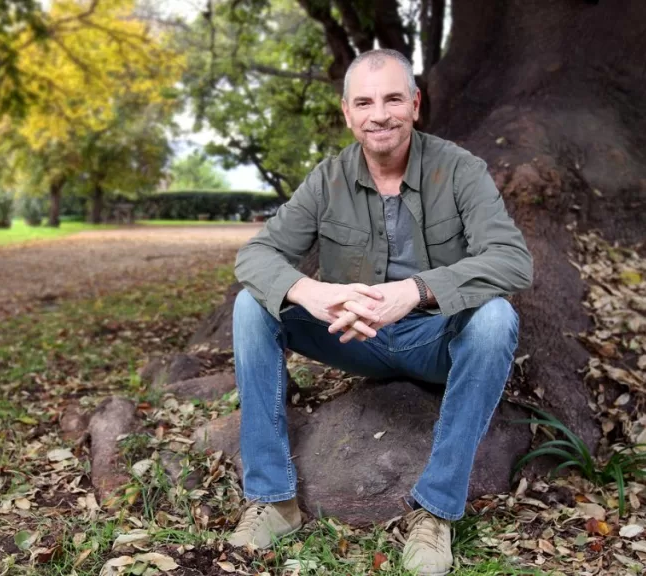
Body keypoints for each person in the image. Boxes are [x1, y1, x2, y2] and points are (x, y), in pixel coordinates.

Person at [227, 48, 534, 575]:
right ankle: (274, 500)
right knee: (250, 305)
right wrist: (308, 291)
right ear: (347, 113)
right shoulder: (327, 179)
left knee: (495, 320)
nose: (380, 115)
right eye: (365, 103)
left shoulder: (460, 170)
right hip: (353, 337)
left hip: (435, 339)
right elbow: (255, 255)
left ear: (415, 104)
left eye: (393, 99)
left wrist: (415, 291)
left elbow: (512, 260)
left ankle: (435, 512)